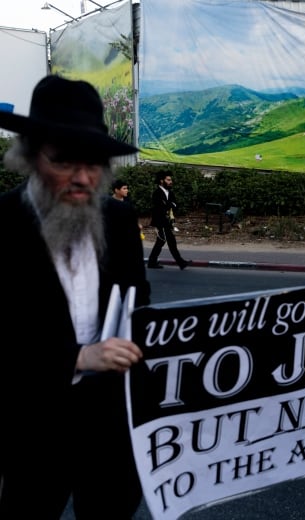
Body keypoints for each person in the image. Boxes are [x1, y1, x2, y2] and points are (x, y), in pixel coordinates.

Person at [0, 75, 151, 518]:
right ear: (29, 156)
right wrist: (77, 359)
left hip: (109, 435)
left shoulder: (120, 221)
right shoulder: (3, 225)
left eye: (96, 164)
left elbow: (136, 300)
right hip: (32, 432)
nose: (84, 178)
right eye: (65, 161)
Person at [146, 171, 192, 269]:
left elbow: (175, 205)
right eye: (168, 180)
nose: (171, 181)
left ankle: (152, 262)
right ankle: (180, 263)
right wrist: (169, 205)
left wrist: (169, 204)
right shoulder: (157, 193)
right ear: (161, 181)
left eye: (171, 180)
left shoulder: (170, 193)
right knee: (168, 241)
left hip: (167, 222)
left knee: (164, 242)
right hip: (160, 222)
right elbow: (160, 207)